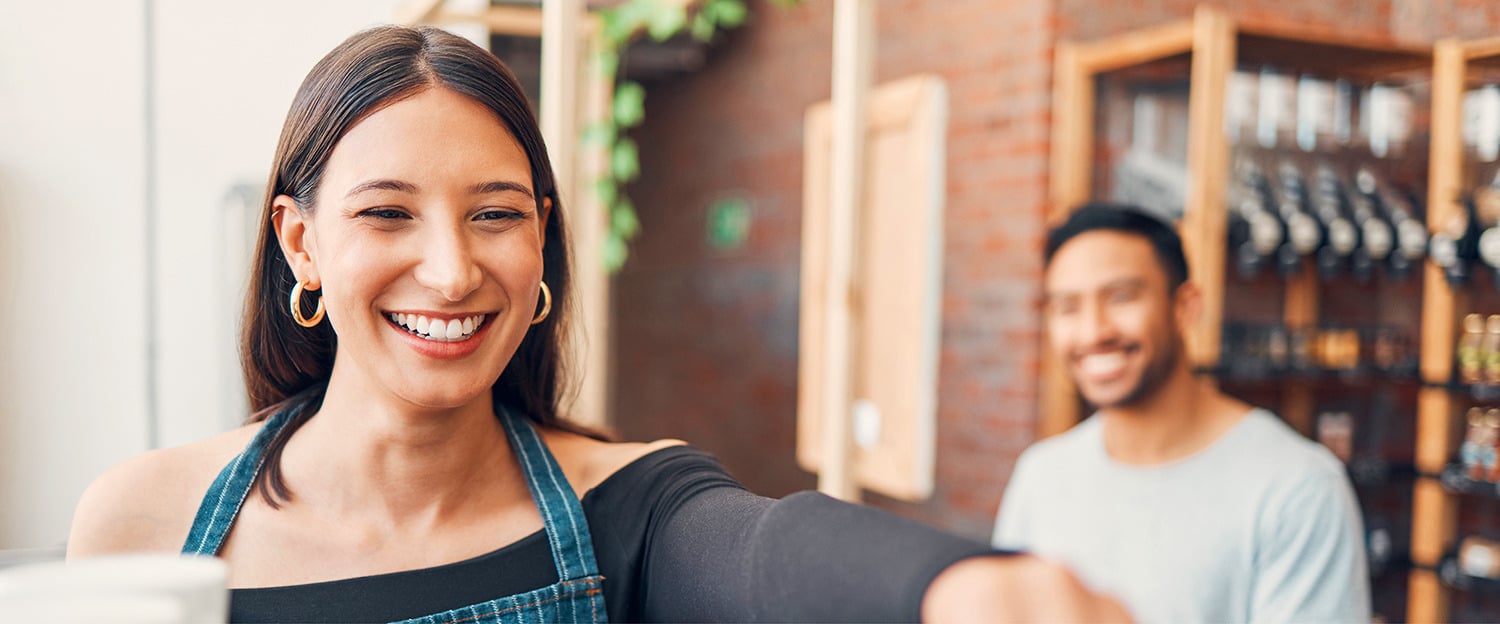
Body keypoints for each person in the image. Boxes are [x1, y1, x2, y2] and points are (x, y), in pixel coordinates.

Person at [66, 25, 1125, 623]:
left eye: (495, 215)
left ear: (542, 246)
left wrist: (967, 586)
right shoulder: (139, 526)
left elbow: (766, 554)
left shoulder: (634, 510)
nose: (450, 268)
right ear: (300, 243)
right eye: (388, 213)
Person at [993, 203, 1370, 622]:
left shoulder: (1295, 488)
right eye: (1068, 307)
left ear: (1185, 308)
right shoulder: (1042, 476)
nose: (1093, 331)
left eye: (1121, 298)